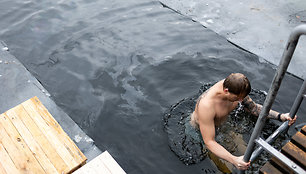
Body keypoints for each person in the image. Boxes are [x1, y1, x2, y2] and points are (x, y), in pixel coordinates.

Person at [190, 73, 297, 170]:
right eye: (238, 98)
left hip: (224, 126)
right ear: (226, 91)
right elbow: (209, 142)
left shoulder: (236, 88)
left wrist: (280, 116)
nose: (241, 101)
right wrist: (233, 160)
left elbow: (254, 109)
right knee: (228, 169)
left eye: (242, 98)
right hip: (201, 133)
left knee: (249, 158)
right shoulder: (206, 106)